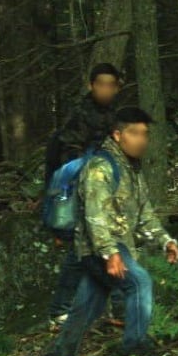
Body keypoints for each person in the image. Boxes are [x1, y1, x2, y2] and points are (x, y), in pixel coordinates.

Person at [42, 107, 178, 356]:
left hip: (114, 248)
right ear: (117, 135)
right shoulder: (99, 168)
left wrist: (165, 240)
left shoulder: (131, 168)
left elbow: (144, 214)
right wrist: (110, 254)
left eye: (145, 134)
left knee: (85, 308)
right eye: (134, 133)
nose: (141, 139)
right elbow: (95, 216)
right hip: (98, 249)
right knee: (139, 282)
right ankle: (134, 345)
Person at [46, 63, 122, 329]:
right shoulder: (81, 114)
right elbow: (67, 154)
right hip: (83, 191)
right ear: (91, 85)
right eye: (100, 84)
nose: (105, 89)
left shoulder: (113, 113)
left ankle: (107, 309)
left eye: (110, 85)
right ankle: (60, 310)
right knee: (81, 252)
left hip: (105, 190)